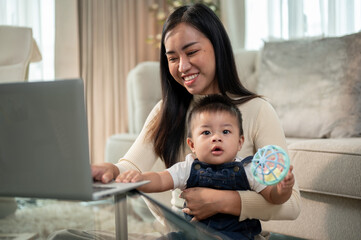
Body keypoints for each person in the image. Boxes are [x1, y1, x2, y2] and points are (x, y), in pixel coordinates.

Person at [51, 3, 301, 239]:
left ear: (217, 47)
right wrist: (112, 170)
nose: (182, 66)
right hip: (176, 235)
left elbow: (290, 205)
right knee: (63, 236)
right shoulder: (166, 110)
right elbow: (133, 167)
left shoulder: (257, 110)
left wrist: (218, 201)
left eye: (191, 52)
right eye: (172, 58)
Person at [118, 95, 295, 240]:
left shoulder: (248, 170)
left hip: (236, 236)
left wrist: (283, 189)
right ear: (192, 145)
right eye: (206, 132)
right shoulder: (188, 168)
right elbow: (162, 179)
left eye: (225, 132)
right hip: (193, 234)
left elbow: (273, 197)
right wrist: (139, 180)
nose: (216, 138)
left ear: (240, 142)